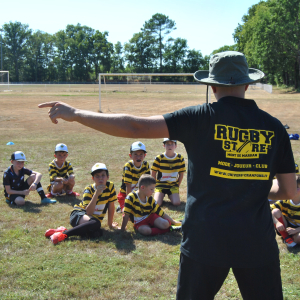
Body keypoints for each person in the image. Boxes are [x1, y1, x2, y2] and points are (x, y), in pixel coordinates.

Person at [39, 51, 297, 300]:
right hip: (255, 242)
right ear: (247, 85)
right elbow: (287, 191)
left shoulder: (199, 117)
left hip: (204, 240)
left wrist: (74, 113)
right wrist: (252, 184)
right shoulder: (274, 127)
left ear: (213, 87)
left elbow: (134, 125)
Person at [45, 163, 118, 244]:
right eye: (97, 176)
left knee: (97, 233)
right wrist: (96, 193)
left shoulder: (110, 186)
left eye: (103, 175)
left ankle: (61, 230)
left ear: (108, 177)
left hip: (91, 221)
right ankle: (64, 235)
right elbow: (88, 212)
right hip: (78, 215)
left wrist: (110, 225)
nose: (100, 178)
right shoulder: (89, 190)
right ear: (93, 178)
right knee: (96, 224)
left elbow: (111, 206)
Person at [116, 141, 150, 213]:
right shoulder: (128, 166)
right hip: (126, 195)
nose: (138, 157)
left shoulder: (146, 165)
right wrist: (129, 203)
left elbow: (147, 184)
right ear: (130, 155)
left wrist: (147, 198)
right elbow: (128, 186)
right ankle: (122, 206)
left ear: (145, 155)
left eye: (141, 154)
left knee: (146, 210)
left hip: (139, 193)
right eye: (135, 154)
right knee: (129, 213)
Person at [151, 138, 186, 206]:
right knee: (157, 203)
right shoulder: (159, 158)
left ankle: (170, 195)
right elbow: (153, 173)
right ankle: (160, 196)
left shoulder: (180, 158)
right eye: (167, 144)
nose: (170, 146)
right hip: (160, 185)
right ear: (164, 145)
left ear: (175, 146)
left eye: (172, 144)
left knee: (177, 203)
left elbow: (181, 174)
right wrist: (155, 185)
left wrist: (177, 186)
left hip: (173, 186)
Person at [271, 175, 300, 247]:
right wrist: (277, 222)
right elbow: (268, 210)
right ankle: (286, 238)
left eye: (297, 187)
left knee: (299, 237)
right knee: (275, 211)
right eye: (291, 188)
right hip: (287, 227)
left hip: (298, 229)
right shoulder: (285, 200)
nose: (293, 190)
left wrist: (296, 230)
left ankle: (294, 238)